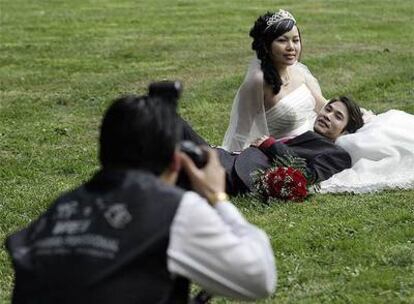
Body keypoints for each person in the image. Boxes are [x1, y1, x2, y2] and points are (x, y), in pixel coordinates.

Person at [5, 94, 276, 303]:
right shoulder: (170, 210)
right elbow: (260, 277)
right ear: (176, 161)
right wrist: (217, 197)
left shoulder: (60, 208)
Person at [182, 96, 363, 195]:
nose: (328, 115)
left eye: (338, 117)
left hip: (237, 174)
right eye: (328, 109)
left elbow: (306, 175)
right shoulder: (307, 136)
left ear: (346, 132)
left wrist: (270, 145)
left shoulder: (336, 154)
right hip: (227, 158)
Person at [222, 9, 327, 152]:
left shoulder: (299, 71)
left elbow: (323, 107)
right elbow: (241, 133)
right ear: (266, 45)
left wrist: (358, 115)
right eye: (282, 40)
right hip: (285, 156)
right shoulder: (258, 82)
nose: (291, 47)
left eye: (295, 40)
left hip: (315, 145)